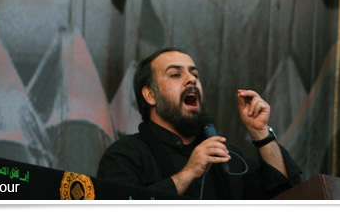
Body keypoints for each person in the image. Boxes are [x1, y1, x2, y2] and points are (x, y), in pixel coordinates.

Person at [97, 47, 302, 199]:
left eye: (194, 74)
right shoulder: (125, 155)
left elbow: (286, 196)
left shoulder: (227, 157)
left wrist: (261, 133)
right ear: (150, 95)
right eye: (176, 74)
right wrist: (188, 174)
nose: (191, 79)